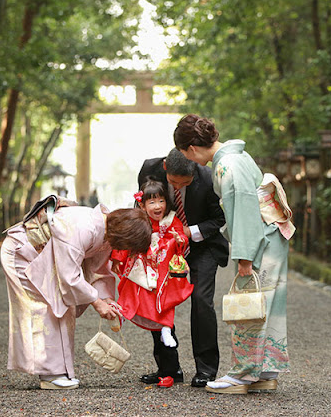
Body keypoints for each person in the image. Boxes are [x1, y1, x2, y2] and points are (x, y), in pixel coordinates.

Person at [174, 114, 291, 395]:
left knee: (248, 306)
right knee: (265, 307)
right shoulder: (237, 157)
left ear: (191, 148)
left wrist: (244, 258)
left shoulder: (228, 165)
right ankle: (264, 372)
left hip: (258, 240)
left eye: (184, 154)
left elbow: (245, 212)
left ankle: (242, 373)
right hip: (269, 237)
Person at [0, 196, 152, 390]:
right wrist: (97, 302)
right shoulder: (83, 227)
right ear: (124, 236)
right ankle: (50, 374)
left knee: (62, 309)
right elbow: (69, 276)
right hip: (23, 253)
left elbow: (97, 270)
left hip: (46, 259)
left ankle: (58, 371)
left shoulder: (106, 232)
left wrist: (105, 298)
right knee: (45, 307)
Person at [137, 148, 229, 388]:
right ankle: (168, 368)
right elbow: (143, 206)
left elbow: (219, 219)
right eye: (173, 183)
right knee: (157, 299)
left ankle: (206, 370)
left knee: (201, 299)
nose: (176, 188)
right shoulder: (150, 169)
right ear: (166, 168)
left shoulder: (209, 178)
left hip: (202, 246)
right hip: (162, 246)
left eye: (184, 183)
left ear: (194, 174)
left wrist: (189, 232)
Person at [111, 180, 194, 364]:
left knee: (164, 304)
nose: (158, 206)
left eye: (161, 201)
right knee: (135, 293)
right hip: (144, 271)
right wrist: (118, 257)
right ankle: (123, 312)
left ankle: (170, 364)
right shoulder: (139, 221)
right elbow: (127, 239)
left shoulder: (172, 220)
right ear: (142, 204)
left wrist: (178, 239)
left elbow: (182, 239)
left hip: (163, 273)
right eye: (152, 202)